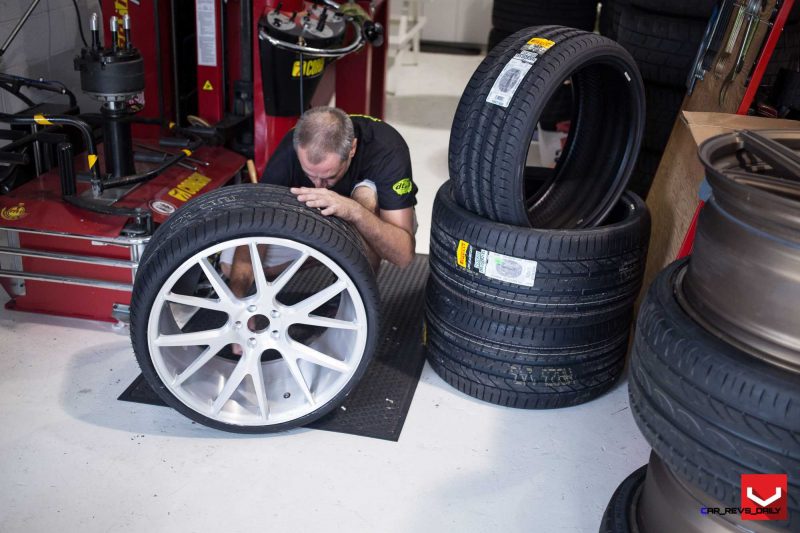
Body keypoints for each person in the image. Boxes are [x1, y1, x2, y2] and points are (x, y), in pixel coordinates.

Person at [222, 106, 418, 298]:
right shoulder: (289, 152)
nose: (319, 185)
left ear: (352, 149)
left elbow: (402, 255)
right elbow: (257, 231)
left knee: (365, 197)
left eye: (329, 177)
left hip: (372, 217)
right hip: (317, 224)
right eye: (310, 175)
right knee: (231, 265)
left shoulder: (387, 149)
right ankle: (329, 255)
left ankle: (351, 300)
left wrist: (354, 211)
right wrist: (238, 303)